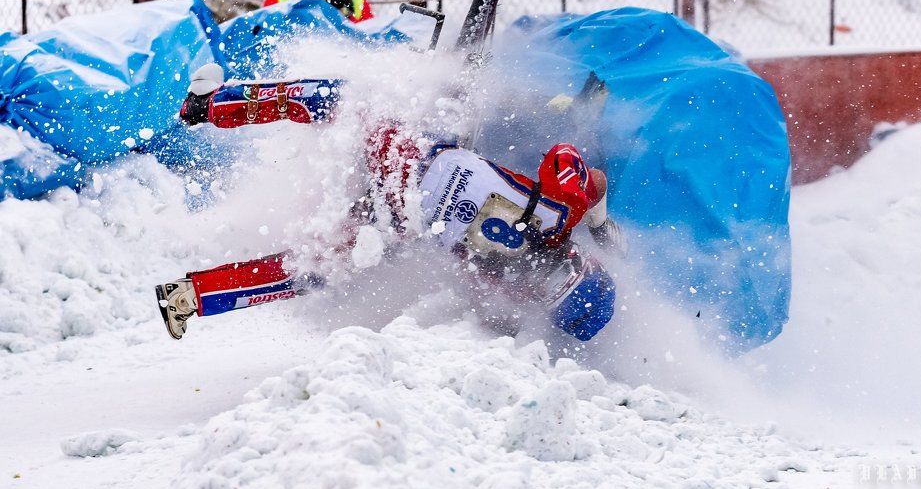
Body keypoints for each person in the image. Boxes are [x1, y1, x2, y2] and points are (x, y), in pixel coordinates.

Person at [157, 64, 626, 343]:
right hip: (401, 221)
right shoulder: (513, 298)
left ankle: (213, 104)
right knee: (312, 268)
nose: (545, 280)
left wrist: (597, 220)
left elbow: (570, 159)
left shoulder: (560, 214)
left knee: (340, 100)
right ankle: (192, 296)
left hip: (410, 161)